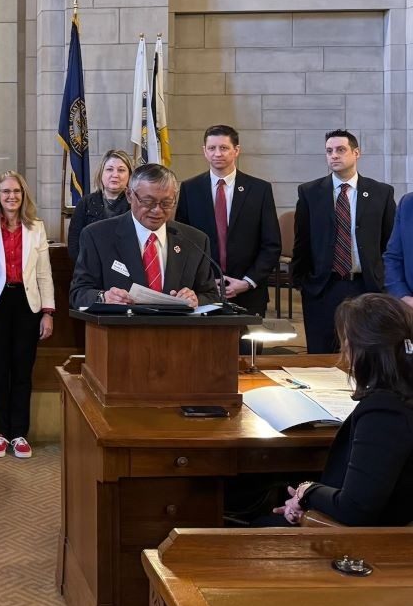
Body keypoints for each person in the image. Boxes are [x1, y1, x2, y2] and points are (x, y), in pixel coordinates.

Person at [272, 293, 413, 527]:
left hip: (366, 545)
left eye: (347, 342)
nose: (345, 353)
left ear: (366, 349)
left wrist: (307, 492)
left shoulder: (385, 412)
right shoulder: (400, 395)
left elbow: (356, 508)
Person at [0, 170, 55, 459]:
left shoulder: (36, 227)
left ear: (23, 194)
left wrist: (48, 312)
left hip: (27, 305)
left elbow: (44, 273)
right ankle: (0, 434)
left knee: (22, 372)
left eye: (16, 191)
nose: (11, 196)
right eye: (5, 191)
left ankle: (19, 434)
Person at [291, 129, 395, 354]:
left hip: (366, 286)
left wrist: (384, 281)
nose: (334, 156)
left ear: (356, 153)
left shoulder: (381, 193)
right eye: (329, 151)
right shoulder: (310, 192)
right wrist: (302, 282)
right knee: (321, 355)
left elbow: (389, 244)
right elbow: (302, 242)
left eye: (340, 150)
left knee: (370, 351)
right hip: (323, 286)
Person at [70, 163, 221, 311]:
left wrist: (195, 300)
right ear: (129, 195)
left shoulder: (195, 240)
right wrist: (104, 297)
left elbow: (212, 296)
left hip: (178, 333)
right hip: (121, 332)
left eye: (166, 203)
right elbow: (78, 294)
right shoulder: (98, 236)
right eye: (148, 202)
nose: (157, 210)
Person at [175, 125, 281, 331]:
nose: (217, 153)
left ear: (236, 150)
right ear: (204, 151)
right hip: (203, 291)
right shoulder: (190, 189)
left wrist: (248, 281)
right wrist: (205, 280)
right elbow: (182, 242)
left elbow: (271, 244)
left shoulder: (259, 189)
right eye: (212, 148)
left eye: (223, 148)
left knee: (247, 355)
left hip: (248, 292)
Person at [66, 149, 132, 262]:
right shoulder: (85, 203)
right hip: (89, 270)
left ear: (130, 175)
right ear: (101, 173)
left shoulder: (135, 204)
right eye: (109, 169)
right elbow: (74, 244)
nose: (115, 175)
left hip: (126, 271)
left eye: (121, 170)